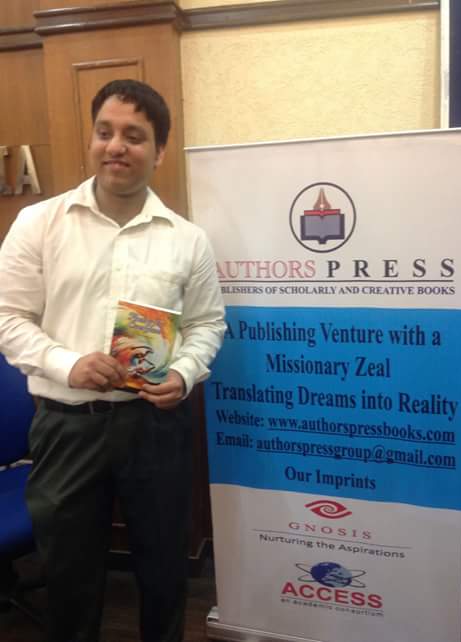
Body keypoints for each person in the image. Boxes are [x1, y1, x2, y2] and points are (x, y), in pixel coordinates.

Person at [0, 79, 225, 642]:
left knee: (164, 570)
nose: (116, 146)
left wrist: (184, 373)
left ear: (159, 150)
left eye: (134, 136)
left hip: (157, 427)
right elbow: (7, 319)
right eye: (105, 132)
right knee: (69, 576)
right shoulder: (40, 223)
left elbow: (207, 324)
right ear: (92, 139)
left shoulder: (187, 239)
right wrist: (66, 363)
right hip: (67, 426)